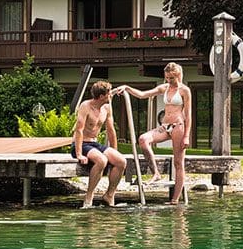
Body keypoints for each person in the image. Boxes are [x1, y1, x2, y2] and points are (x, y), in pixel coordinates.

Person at [114, 63, 194, 204]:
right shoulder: (164, 88)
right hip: (164, 126)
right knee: (143, 139)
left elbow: (188, 115)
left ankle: (175, 199)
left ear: (178, 75)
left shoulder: (184, 90)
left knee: (178, 163)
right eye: (167, 77)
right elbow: (143, 95)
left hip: (178, 127)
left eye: (172, 78)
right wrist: (126, 87)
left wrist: (187, 136)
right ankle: (156, 173)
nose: (169, 80)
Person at [72, 80, 128, 208]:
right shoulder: (85, 106)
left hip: (95, 144)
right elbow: (79, 130)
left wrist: (114, 150)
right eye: (109, 93)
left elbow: (110, 129)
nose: (111, 95)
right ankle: (89, 196)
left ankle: (109, 195)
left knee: (121, 161)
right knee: (102, 160)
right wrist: (79, 154)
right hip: (82, 144)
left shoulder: (107, 107)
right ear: (102, 96)